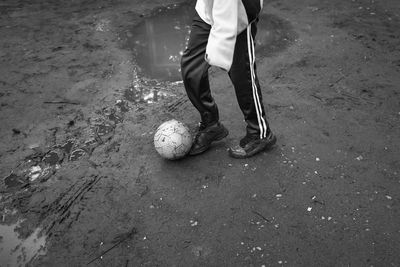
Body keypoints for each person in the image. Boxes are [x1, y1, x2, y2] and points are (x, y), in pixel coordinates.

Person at [180, 0, 276, 158]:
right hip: (208, 9)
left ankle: (260, 132)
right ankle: (210, 124)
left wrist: (220, 46)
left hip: (238, 13)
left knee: (242, 74)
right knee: (191, 68)